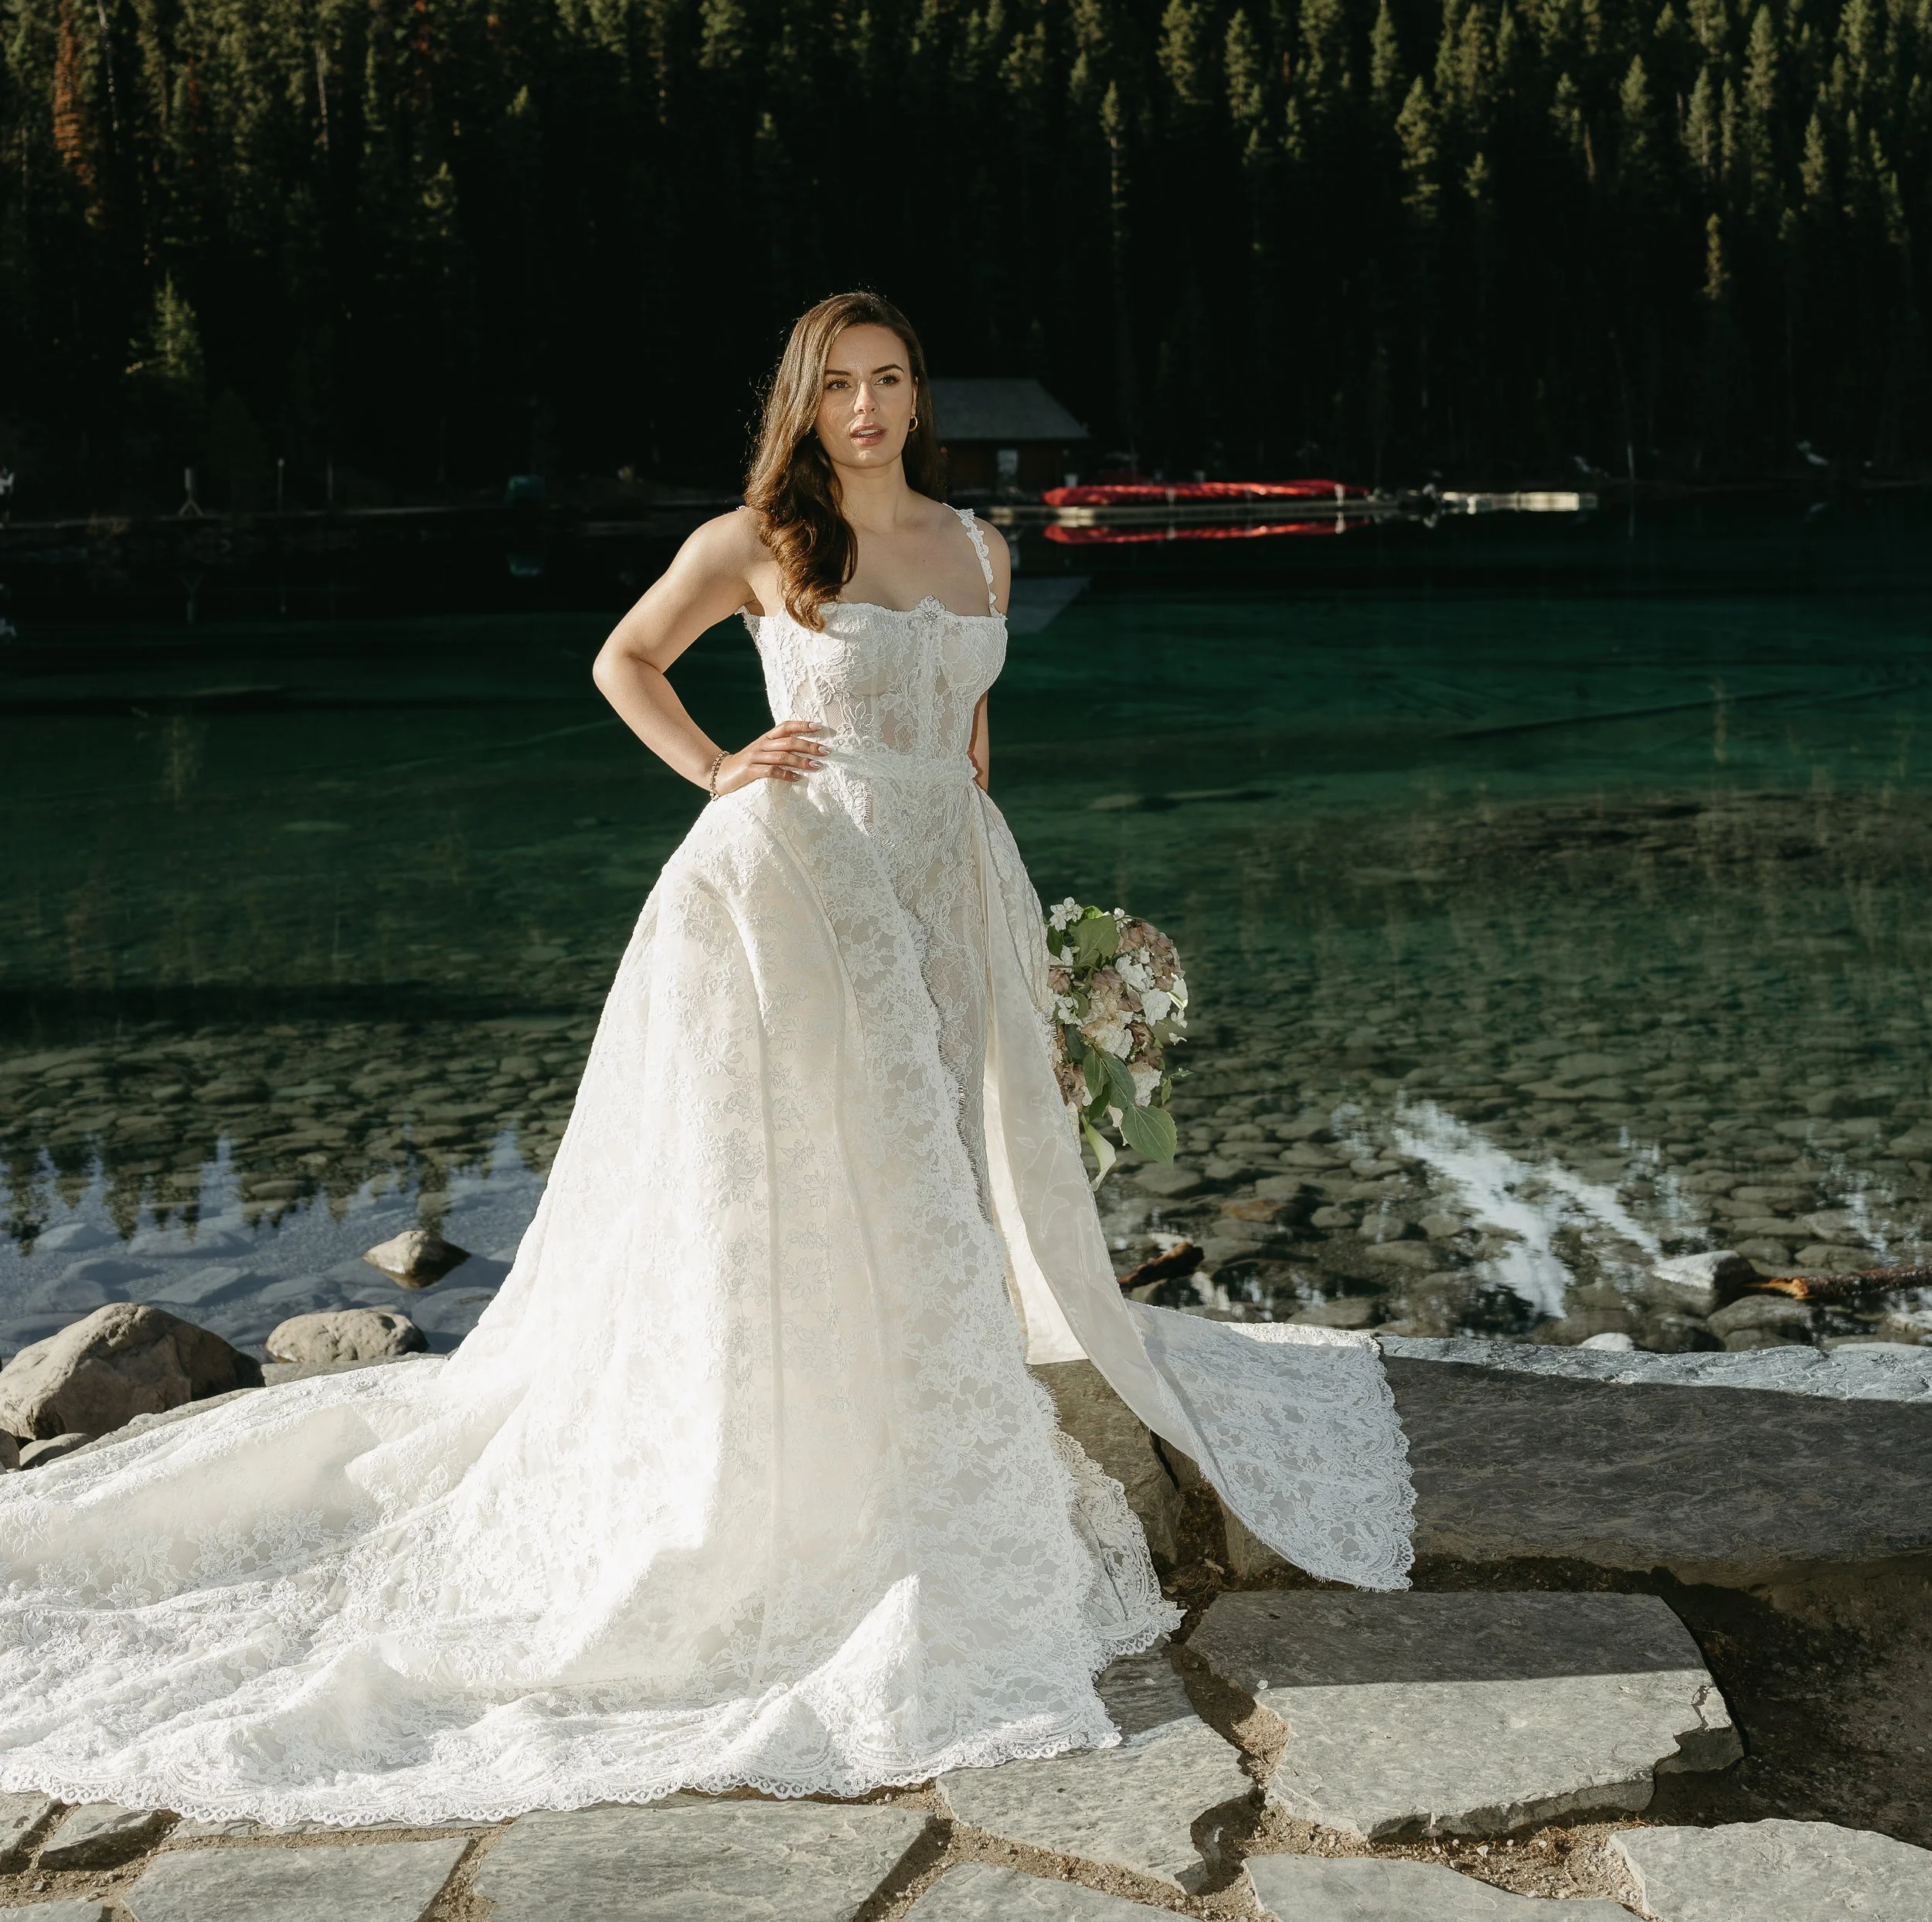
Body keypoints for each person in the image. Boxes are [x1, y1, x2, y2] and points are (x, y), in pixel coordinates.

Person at [0, 291, 1410, 1829]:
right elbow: (624, 660)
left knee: (931, 1144)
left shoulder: (981, 544)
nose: (866, 410)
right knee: (814, 1160)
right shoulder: (759, 539)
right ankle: (817, 1441)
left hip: (950, 881)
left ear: (914, 395)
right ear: (803, 403)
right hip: (805, 886)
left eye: (888, 383)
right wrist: (719, 768)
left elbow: (970, 738)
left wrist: (1004, 906)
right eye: (840, 387)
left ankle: (919, 1382)